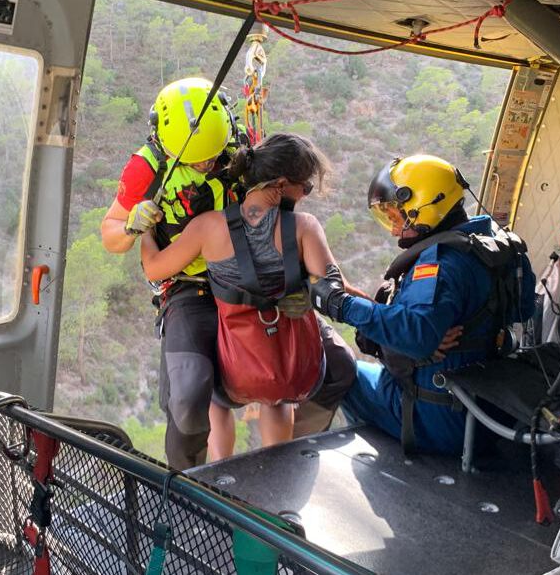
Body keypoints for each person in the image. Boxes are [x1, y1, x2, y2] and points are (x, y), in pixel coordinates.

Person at [101, 77, 356, 469]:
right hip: (190, 282)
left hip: (250, 268)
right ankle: (188, 488)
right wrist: (134, 226)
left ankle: (291, 464)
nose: (206, 165)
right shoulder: (146, 168)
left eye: (213, 157)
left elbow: (274, 195)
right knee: (188, 396)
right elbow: (111, 234)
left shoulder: (240, 144)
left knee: (336, 365)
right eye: (196, 160)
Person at [310, 154, 536, 455]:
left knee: (338, 370)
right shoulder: (492, 244)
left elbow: (416, 335)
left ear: (423, 208)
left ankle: (387, 456)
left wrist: (341, 305)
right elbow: (524, 308)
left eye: (397, 217)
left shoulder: (442, 264)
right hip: (487, 414)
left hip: (437, 415)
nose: (393, 229)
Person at [139, 133, 336, 459]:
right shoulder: (304, 227)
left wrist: (146, 232)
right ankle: (282, 472)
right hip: (291, 369)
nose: (305, 195)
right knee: (281, 397)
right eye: (306, 188)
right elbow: (331, 283)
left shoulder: (208, 226)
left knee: (213, 393)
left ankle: (221, 473)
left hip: (234, 376)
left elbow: (155, 269)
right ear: (283, 184)